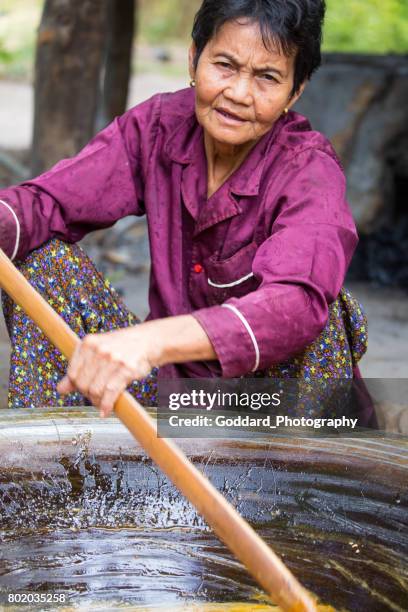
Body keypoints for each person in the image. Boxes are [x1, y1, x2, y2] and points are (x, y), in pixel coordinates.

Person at [0, 0, 372, 422]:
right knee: (40, 260)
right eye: (225, 66)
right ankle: (58, 470)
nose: (238, 93)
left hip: (266, 414)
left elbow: (296, 301)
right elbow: (48, 202)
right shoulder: (159, 126)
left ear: (296, 90)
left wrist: (152, 340)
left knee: (320, 315)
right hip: (168, 398)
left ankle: (298, 480)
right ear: (194, 58)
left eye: (267, 77)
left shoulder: (308, 169)